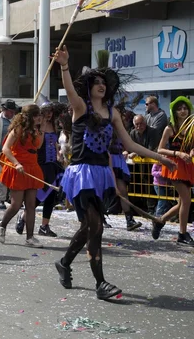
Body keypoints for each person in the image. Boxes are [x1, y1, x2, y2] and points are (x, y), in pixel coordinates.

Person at [53, 46, 175, 300]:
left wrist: (161, 157)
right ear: (89, 87)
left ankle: (64, 262)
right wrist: (64, 65)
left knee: (89, 226)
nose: (101, 85)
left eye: (104, 82)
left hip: (101, 174)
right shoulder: (80, 107)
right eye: (96, 82)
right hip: (81, 174)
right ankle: (101, 283)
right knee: (95, 227)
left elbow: (130, 145)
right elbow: (70, 89)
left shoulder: (113, 113)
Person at [0, 104, 44, 247]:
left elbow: (38, 147)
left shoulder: (37, 130)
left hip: (32, 167)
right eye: (37, 116)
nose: (39, 118)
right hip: (18, 168)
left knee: (31, 205)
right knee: (16, 204)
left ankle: (30, 237)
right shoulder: (18, 129)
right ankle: (2, 225)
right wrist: (16, 163)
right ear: (30, 117)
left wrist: (41, 129)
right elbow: (5, 149)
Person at [16, 102, 64, 237]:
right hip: (40, 162)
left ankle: (44, 226)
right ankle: (24, 216)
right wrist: (42, 127)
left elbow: (54, 142)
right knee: (39, 194)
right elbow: (38, 145)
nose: (49, 115)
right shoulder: (36, 126)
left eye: (51, 112)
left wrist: (58, 154)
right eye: (46, 112)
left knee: (52, 195)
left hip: (53, 163)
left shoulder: (53, 125)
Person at [152, 96, 194, 245]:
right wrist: (178, 153)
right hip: (174, 166)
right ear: (174, 111)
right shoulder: (169, 128)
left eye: (185, 108)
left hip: (187, 166)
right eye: (179, 108)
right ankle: (182, 234)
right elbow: (160, 149)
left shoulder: (191, 127)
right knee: (186, 201)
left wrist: (191, 152)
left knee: (183, 202)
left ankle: (160, 221)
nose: (183, 111)